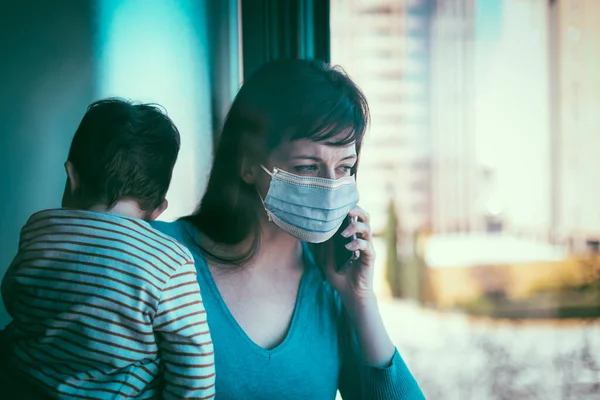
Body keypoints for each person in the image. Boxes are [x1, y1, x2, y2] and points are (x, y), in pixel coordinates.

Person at [152, 59, 424, 399]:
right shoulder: (159, 257)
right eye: (308, 166)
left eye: (345, 168)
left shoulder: (333, 286)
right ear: (248, 164)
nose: (330, 186)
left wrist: (360, 300)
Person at [1, 99, 215, 399]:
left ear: (71, 177)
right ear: (158, 210)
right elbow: (194, 363)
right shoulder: (169, 261)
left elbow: (14, 295)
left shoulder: (39, 230)